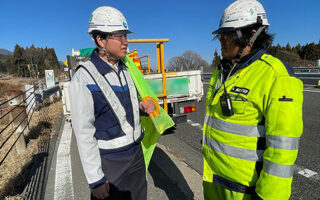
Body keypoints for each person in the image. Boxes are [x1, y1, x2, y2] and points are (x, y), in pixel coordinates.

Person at [202, 0, 303, 199]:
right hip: (212, 181)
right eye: (221, 35)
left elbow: (283, 148)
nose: (222, 40)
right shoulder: (221, 72)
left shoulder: (276, 76)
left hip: (244, 192)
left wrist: (268, 197)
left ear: (252, 34)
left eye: (228, 34)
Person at [69, 6, 154, 200]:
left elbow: (123, 106)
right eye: (120, 36)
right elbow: (83, 132)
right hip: (110, 162)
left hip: (136, 156)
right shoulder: (83, 77)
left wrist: (140, 109)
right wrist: (95, 179)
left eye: (126, 36)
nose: (126, 42)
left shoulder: (125, 69)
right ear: (100, 40)